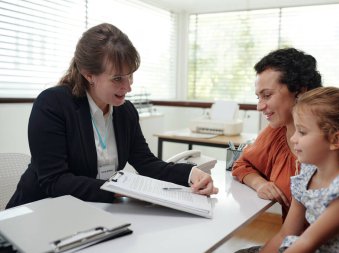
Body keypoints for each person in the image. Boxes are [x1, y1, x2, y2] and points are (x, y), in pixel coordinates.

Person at [6, 23, 218, 209]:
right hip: (38, 212)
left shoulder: (125, 111)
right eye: (117, 79)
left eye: (130, 76)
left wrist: (191, 175)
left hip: (92, 212)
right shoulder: (53, 104)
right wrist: (120, 189)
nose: (128, 87)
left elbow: (146, 163)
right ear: (89, 74)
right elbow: (54, 181)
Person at [232, 48, 339, 221]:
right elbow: (243, 164)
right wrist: (260, 184)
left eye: (267, 95)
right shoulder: (276, 132)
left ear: (300, 92)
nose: (259, 106)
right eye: (258, 97)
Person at [259, 86, 339, 252]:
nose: (293, 138)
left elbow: (307, 243)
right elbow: (285, 234)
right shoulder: (307, 174)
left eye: (302, 132)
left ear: (336, 139)